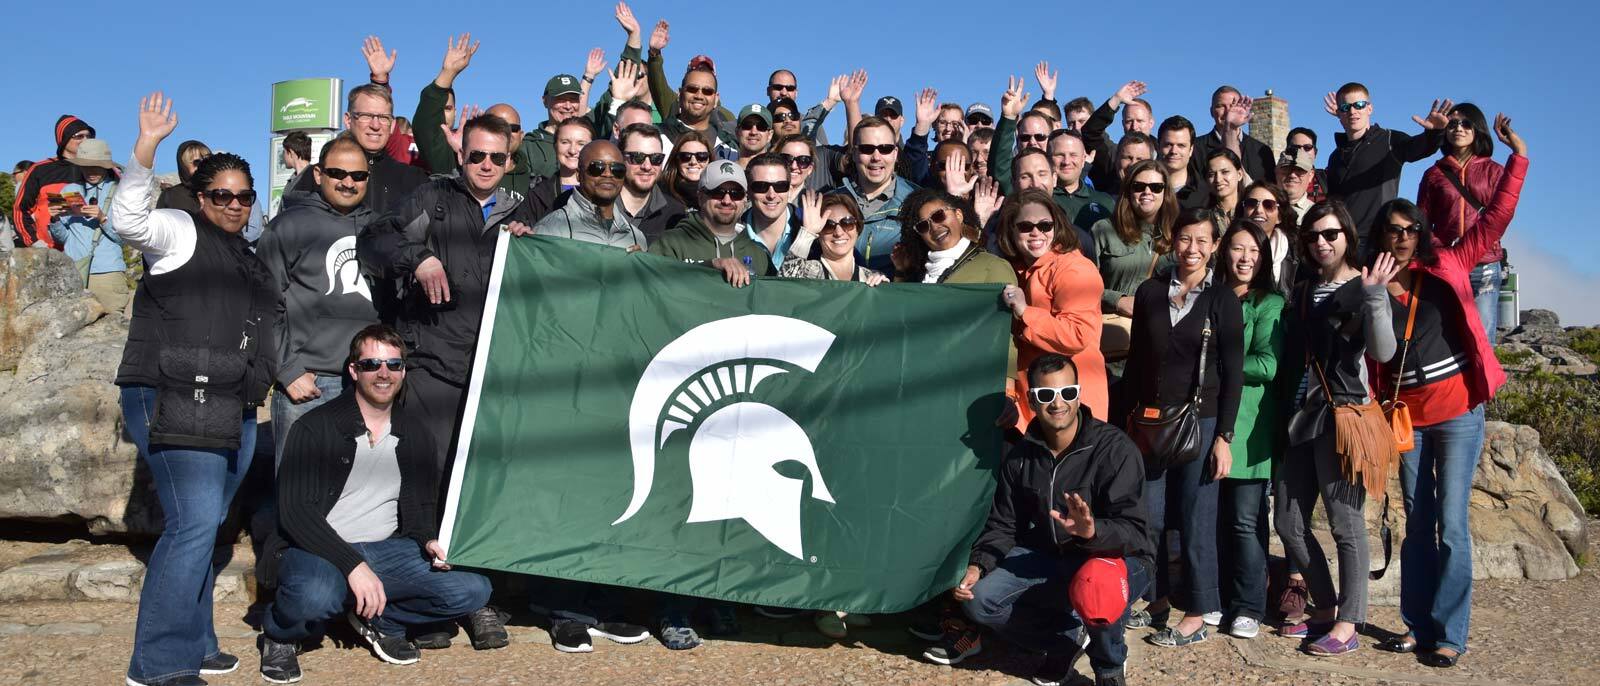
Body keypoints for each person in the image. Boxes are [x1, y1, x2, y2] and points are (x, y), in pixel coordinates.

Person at [112, 93, 278, 686]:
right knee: (193, 522)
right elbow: (127, 222)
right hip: (173, 393)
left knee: (205, 525)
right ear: (200, 196)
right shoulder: (178, 229)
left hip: (232, 402)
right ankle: (157, 666)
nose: (233, 204)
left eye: (243, 195)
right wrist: (146, 148)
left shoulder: (246, 253)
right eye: (221, 195)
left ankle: (197, 641)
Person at [257, 325, 508, 683]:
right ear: (354, 371)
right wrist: (352, 565)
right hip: (318, 547)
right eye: (372, 363)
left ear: (404, 371)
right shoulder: (316, 428)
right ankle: (280, 636)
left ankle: (379, 616)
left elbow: (421, 509)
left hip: (387, 549)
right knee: (315, 595)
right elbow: (296, 515)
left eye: (394, 364)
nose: (384, 373)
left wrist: (427, 541)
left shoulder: (415, 431)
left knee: (472, 590)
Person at [1371, 114, 1526, 669]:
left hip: (1459, 410)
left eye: (1411, 229)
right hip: (1408, 417)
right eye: (1393, 230)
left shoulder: (1452, 260)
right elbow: (1376, 355)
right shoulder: (1374, 281)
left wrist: (1517, 158)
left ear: (1424, 230)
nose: (1403, 237)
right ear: (1382, 236)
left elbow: (1498, 215)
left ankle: (1449, 633)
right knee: (1417, 524)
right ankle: (1416, 623)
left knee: (1453, 525)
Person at [944, 353, 1151, 686]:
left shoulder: (1114, 449)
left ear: (1079, 393)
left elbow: (1136, 533)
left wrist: (1092, 530)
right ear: (1031, 400)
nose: (1058, 403)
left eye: (1067, 393)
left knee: (1098, 584)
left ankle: (1109, 666)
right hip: (1052, 555)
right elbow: (1004, 524)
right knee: (980, 599)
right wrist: (978, 565)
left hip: (1114, 559)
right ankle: (1064, 644)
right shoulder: (1022, 455)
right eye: (1046, 395)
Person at [357, 113, 539, 476]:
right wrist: (418, 258)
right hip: (433, 368)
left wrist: (527, 250)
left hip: (490, 372)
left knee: (480, 475)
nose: (486, 165)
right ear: (461, 156)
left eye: (496, 158)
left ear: (509, 161)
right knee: (431, 472)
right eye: (477, 156)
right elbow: (373, 242)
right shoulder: (432, 197)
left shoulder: (519, 213)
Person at [1274, 201, 1399, 655]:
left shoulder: (1365, 285)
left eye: (1331, 234)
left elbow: (1383, 352)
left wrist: (1374, 298)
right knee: (1287, 521)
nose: (1322, 243)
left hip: (1344, 417)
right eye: (1313, 236)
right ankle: (1324, 606)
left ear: (1347, 235)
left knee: (1346, 525)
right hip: (1299, 417)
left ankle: (1349, 622)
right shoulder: (1304, 289)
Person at [1122, 207, 1244, 647]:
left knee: (1196, 518)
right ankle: (1154, 600)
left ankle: (1197, 610)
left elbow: (1233, 374)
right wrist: (1125, 421)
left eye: (1202, 241)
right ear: (1173, 241)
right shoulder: (1150, 293)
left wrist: (1224, 439)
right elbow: (1136, 363)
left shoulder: (1223, 299)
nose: (1192, 249)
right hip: (1151, 421)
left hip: (1201, 420)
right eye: (1185, 239)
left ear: (1214, 247)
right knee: (1149, 517)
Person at [259, 135, 380, 467]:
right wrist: (288, 369)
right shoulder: (289, 226)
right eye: (337, 173)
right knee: (299, 495)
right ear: (318, 174)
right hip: (309, 384)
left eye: (357, 176)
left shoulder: (378, 229)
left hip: (366, 384)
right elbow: (263, 303)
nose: (348, 182)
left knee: (354, 499)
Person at [1215, 219, 1286, 641]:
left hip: (1249, 428)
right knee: (1214, 521)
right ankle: (1218, 598)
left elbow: (1267, 365)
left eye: (1254, 252)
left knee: (1245, 521)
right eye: (1238, 249)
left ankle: (1250, 606)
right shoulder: (1213, 296)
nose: (1244, 258)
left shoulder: (1268, 303)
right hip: (1212, 423)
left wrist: (1218, 361)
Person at [995, 189, 1108, 424]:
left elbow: (1077, 335)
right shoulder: (1009, 270)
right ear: (1011, 231)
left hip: (1073, 401)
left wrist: (1026, 312)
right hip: (1030, 401)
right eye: (1026, 226)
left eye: (1045, 225)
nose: (1036, 232)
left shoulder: (1075, 269)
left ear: (1056, 227)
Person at [1418, 103, 1510, 343]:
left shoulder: (1494, 171)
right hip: (1447, 265)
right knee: (1447, 339)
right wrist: (1442, 249)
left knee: (1482, 342)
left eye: (1466, 123)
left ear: (1477, 129)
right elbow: (1422, 220)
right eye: (1453, 123)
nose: (1458, 128)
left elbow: (1501, 216)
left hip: (1485, 266)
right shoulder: (1433, 174)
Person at [1323, 82, 1450, 244]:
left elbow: (1422, 148)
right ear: (1338, 113)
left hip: (1378, 241)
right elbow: (1333, 201)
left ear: (1370, 109)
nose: (1353, 111)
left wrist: (1436, 133)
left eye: (1359, 105)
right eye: (1346, 107)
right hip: (1343, 241)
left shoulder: (1390, 140)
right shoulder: (1336, 156)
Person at [1091, 160, 1177, 377]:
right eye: (1139, 186)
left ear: (1166, 193)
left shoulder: (1180, 235)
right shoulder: (1104, 230)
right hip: (1115, 351)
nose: (1147, 192)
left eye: (1156, 187)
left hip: (1164, 349)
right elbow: (1083, 287)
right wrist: (1117, 300)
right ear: (1128, 191)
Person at [292, 84, 428, 216]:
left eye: (383, 118)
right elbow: (295, 227)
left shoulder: (413, 179)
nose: (375, 125)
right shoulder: (322, 174)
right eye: (366, 116)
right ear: (348, 120)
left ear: (392, 125)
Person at [649, 159, 776, 287]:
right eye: (718, 192)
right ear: (700, 197)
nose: (727, 200)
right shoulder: (670, 243)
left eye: (736, 194)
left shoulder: (760, 255)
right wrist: (708, 266)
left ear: (744, 200)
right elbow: (652, 284)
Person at [48, 139, 128, 315]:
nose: (91, 171)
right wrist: (54, 219)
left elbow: (124, 238)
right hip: (74, 271)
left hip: (107, 273)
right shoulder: (68, 190)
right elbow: (63, 238)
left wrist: (102, 218)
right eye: (86, 166)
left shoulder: (120, 191)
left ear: (106, 166)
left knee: (111, 335)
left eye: (96, 166)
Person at [829, 116, 916, 277]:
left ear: (895, 153)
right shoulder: (829, 202)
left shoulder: (917, 203)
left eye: (885, 149)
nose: (876, 157)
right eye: (867, 149)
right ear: (854, 153)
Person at [533, 140, 647, 249]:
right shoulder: (550, 229)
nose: (608, 174)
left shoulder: (637, 239)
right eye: (597, 167)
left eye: (617, 169)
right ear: (578, 174)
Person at [13, 114, 101, 248]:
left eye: (89, 136)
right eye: (79, 136)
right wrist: (35, 242)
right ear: (64, 139)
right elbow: (20, 210)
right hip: (51, 251)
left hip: (93, 253)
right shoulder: (40, 170)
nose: (86, 140)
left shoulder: (102, 168)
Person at [779, 191, 886, 284]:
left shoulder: (871, 277)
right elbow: (784, 287)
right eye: (828, 225)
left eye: (847, 222)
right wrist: (808, 232)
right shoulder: (808, 272)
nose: (838, 233)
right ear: (819, 233)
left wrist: (882, 289)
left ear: (857, 228)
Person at [1009, 149, 1097, 263]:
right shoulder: (999, 235)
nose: (1035, 183)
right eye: (1025, 176)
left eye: (1042, 174)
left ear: (1054, 178)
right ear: (1013, 183)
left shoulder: (1078, 240)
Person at [614, 123, 685, 244]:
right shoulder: (598, 204)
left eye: (656, 158)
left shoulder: (675, 214)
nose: (647, 166)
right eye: (637, 157)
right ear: (620, 158)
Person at [1192, 86, 1276, 185]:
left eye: (1233, 105)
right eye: (1221, 106)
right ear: (1211, 111)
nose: (1228, 111)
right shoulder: (1195, 148)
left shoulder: (1262, 151)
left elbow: (1271, 190)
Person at [1081, 81, 1150, 193]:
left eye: (1140, 121)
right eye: (1129, 121)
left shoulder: (1164, 154)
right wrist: (1116, 100)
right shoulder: (1113, 154)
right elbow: (1090, 132)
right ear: (1122, 124)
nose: (1134, 126)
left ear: (1151, 123)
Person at [1046, 130, 1115, 237]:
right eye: (1059, 155)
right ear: (1048, 159)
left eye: (1073, 155)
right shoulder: (1040, 200)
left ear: (1083, 160)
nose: (1066, 162)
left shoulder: (1105, 202)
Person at [1241, 182, 1299, 298]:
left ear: (1279, 217)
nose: (1259, 210)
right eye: (1251, 204)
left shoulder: (1296, 253)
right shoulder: (1227, 247)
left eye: (1268, 205)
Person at [741, 153, 797, 271]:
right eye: (761, 186)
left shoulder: (811, 232)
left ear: (790, 190)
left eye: (780, 186)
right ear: (748, 191)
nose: (771, 195)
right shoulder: (733, 232)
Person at [1156, 116, 1209, 210]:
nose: (1174, 151)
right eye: (1168, 145)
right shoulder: (1144, 188)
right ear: (1158, 146)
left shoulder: (1206, 194)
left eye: (1181, 145)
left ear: (1191, 150)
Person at [659, 130, 713, 208]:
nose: (693, 162)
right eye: (685, 156)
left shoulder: (719, 192)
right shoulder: (660, 191)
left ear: (709, 159)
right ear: (676, 159)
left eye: (701, 156)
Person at [156, 140, 211, 213]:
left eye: (208, 161)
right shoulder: (171, 196)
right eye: (197, 162)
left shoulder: (222, 191)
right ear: (184, 166)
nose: (203, 165)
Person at [1204, 149, 1246, 234]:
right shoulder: (1204, 218)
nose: (1218, 179)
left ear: (1239, 175)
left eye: (1225, 172)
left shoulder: (1250, 211)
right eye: (1212, 174)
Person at [1285, 127, 1329, 203]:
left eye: (1307, 147)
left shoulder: (1328, 179)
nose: (1301, 151)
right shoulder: (1277, 179)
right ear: (1287, 151)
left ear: (1315, 153)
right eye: (1295, 147)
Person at [1276, 147, 1317, 223]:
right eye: (1287, 168)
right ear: (1276, 171)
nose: (1292, 175)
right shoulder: (1260, 208)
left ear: (1311, 175)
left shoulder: (1317, 214)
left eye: (1299, 170)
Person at [281, 131, 312, 196]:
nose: (283, 156)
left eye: (284, 152)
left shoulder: (316, 177)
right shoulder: (291, 181)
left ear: (290, 152)